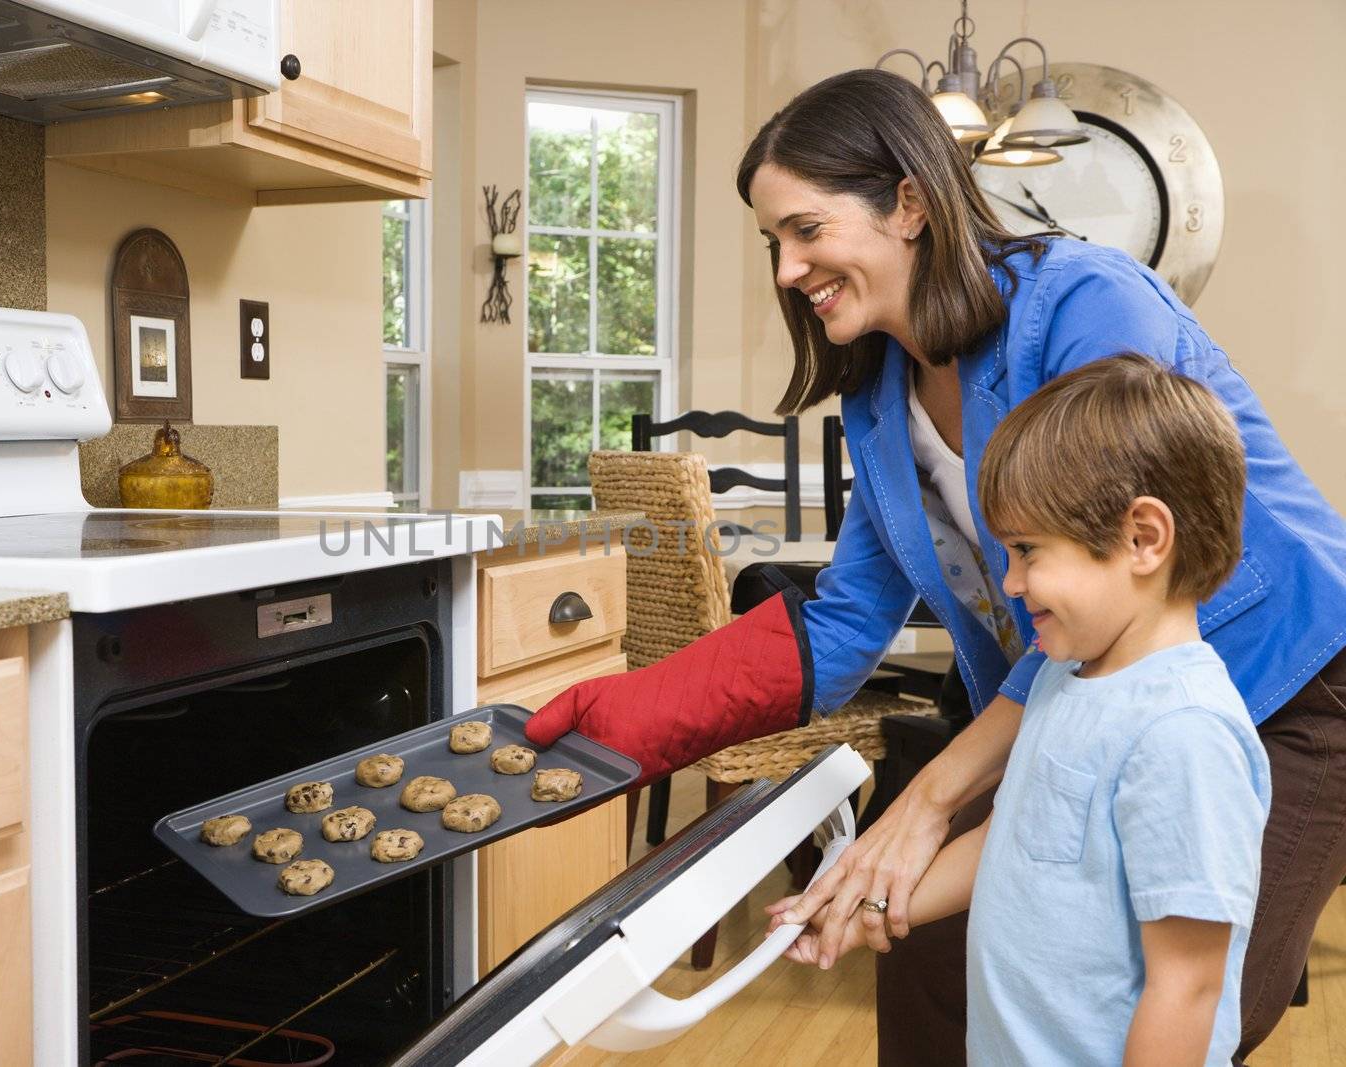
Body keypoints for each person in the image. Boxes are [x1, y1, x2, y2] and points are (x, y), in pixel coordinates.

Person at [523, 67, 1346, 1064]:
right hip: (1072, 691)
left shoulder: (1083, 301)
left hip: (1276, 678)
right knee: (925, 940)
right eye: (771, 242)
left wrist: (927, 800)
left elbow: (1116, 579)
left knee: (1166, 991)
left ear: (908, 203)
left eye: (805, 229)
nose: (786, 268)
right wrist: (626, 720)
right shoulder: (875, 401)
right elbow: (841, 624)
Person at [779, 354, 1269, 1065]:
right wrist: (876, 905)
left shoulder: (1183, 734)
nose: (1010, 581)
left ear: (1143, 538)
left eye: (1029, 551)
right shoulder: (1062, 676)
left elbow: (1188, 983)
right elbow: (1015, 839)